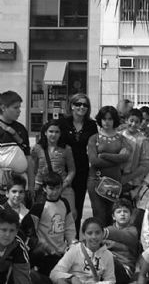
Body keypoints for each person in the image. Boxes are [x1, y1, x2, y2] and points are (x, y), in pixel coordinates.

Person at [21, 172, 77, 278]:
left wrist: (72, 243)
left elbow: (69, 227)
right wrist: (46, 247)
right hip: (45, 254)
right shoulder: (39, 207)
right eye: (51, 188)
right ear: (44, 188)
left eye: (58, 188)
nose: (55, 192)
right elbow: (30, 232)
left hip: (62, 252)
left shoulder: (64, 203)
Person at [87, 105, 130, 226]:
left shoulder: (122, 139)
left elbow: (125, 157)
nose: (107, 122)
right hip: (96, 181)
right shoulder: (94, 138)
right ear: (100, 120)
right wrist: (116, 159)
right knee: (99, 215)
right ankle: (99, 243)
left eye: (110, 119)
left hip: (114, 182)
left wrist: (105, 155)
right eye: (104, 119)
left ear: (114, 120)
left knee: (113, 215)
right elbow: (94, 161)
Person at [62, 93, 97, 237]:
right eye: (78, 104)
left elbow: (95, 147)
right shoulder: (62, 123)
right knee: (61, 204)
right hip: (63, 169)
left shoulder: (91, 124)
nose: (82, 107)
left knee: (77, 205)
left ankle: (74, 238)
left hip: (82, 169)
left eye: (85, 105)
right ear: (71, 106)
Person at [50, 217, 115, 284]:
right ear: (84, 235)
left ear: (103, 234)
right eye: (90, 233)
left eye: (97, 233)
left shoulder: (108, 255)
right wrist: (72, 278)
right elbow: (54, 273)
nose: (94, 237)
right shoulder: (74, 250)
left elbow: (111, 280)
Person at [32, 119, 76, 214]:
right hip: (42, 189)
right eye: (51, 131)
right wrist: (35, 185)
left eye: (57, 132)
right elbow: (33, 169)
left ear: (60, 134)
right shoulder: (37, 148)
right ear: (45, 133)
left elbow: (72, 170)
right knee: (43, 216)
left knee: (69, 215)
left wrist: (63, 185)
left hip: (62, 187)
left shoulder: (66, 149)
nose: (53, 134)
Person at [0, 91, 33, 193]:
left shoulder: (21, 129)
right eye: (15, 108)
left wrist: (31, 185)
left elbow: (28, 157)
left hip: (21, 185)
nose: (19, 111)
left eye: (19, 107)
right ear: (3, 107)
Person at [119, 108, 149, 204]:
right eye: (131, 121)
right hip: (116, 178)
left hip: (132, 182)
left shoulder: (143, 140)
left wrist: (127, 178)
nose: (133, 124)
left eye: (137, 122)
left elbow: (145, 164)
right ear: (126, 120)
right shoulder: (118, 135)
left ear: (140, 123)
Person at [104, 198, 139, 284]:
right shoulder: (108, 229)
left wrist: (105, 233)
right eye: (119, 212)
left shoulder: (133, 231)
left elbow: (121, 235)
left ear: (130, 215)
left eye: (126, 211)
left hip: (124, 269)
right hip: (105, 268)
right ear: (113, 216)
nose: (122, 214)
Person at [0, 208, 31, 284]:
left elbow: (22, 278)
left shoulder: (18, 246)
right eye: (4, 230)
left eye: (12, 231)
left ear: (17, 231)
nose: (7, 235)